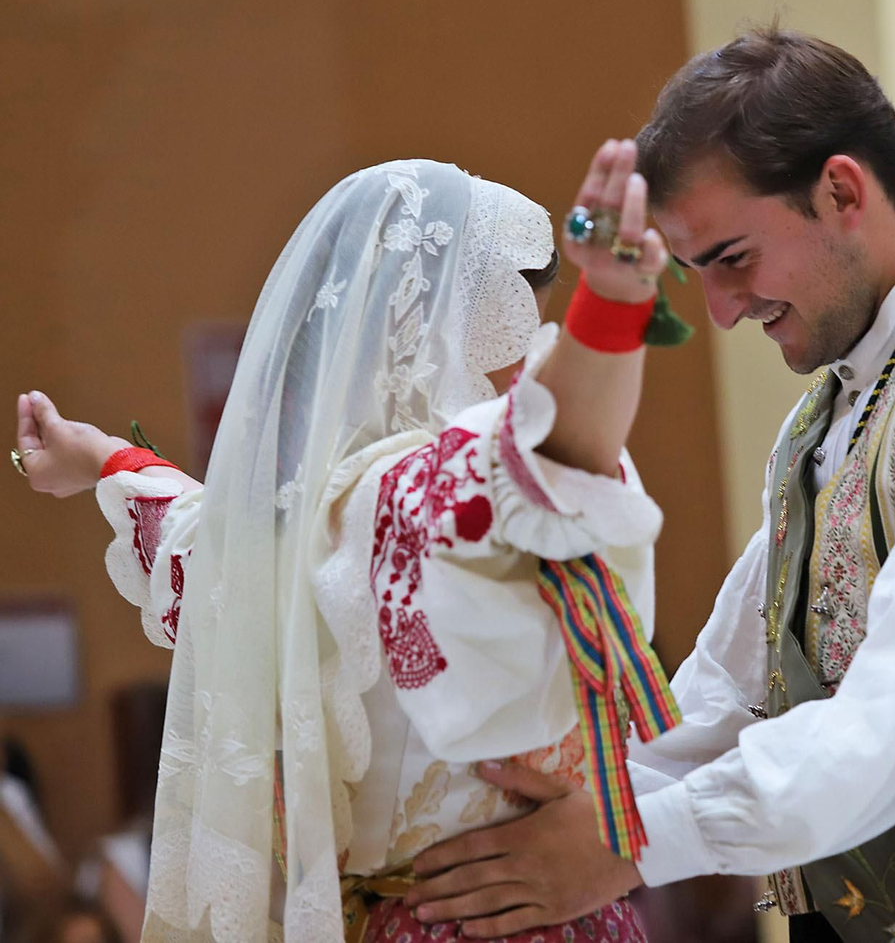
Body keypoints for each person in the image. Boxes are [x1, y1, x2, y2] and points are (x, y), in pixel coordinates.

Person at [406, 28, 895, 943]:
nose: (722, 311)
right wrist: (577, 796)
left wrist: (630, 837)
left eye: (732, 257)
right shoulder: (828, 409)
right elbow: (735, 690)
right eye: (694, 272)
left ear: (842, 190)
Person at [12, 152, 681, 942]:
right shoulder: (415, 498)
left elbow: (182, 523)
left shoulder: (282, 528)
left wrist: (101, 459)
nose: (531, 363)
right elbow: (558, 448)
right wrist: (611, 307)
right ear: (438, 333)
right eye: (514, 328)